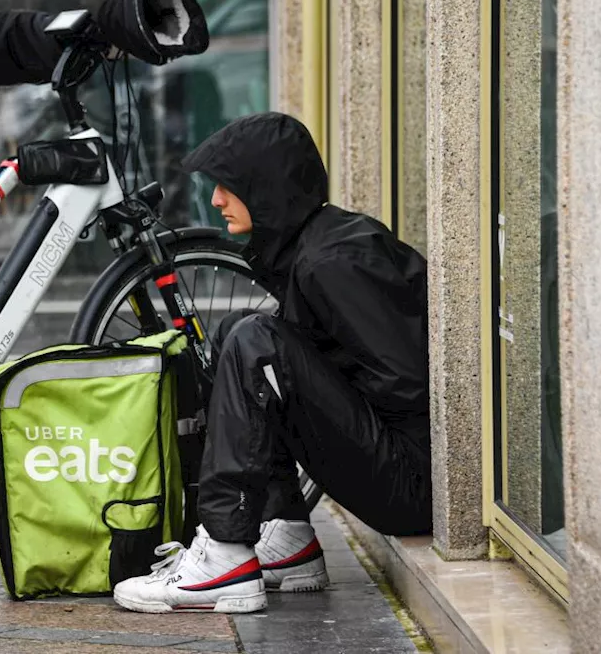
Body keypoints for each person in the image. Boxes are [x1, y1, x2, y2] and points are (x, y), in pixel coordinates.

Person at [113, 112, 432, 614]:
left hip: (417, 485)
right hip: (397, 465)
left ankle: (224, 554)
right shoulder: (313, 246)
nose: (216, 199)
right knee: (236, 332)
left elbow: (410, 384)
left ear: (264, 185)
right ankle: (285, 537)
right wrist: (316, 386)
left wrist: (318, 389)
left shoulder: (333, 259)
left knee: (256, 340)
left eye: (227, 185)